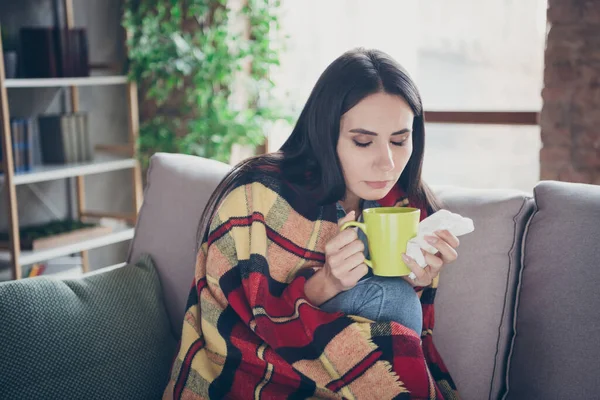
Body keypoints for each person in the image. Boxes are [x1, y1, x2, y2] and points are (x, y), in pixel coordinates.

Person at [164, 48, 460, 399]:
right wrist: (327, 282)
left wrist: (417, 278)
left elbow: (399, 321)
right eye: (363, 141)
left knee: (399, 297)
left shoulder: (407, 200)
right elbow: (243, 310)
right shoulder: (260, 193)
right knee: (395, 299)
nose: (387, 163)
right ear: (325, 133)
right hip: (264, 352)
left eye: (400, 140)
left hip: (355, 347)